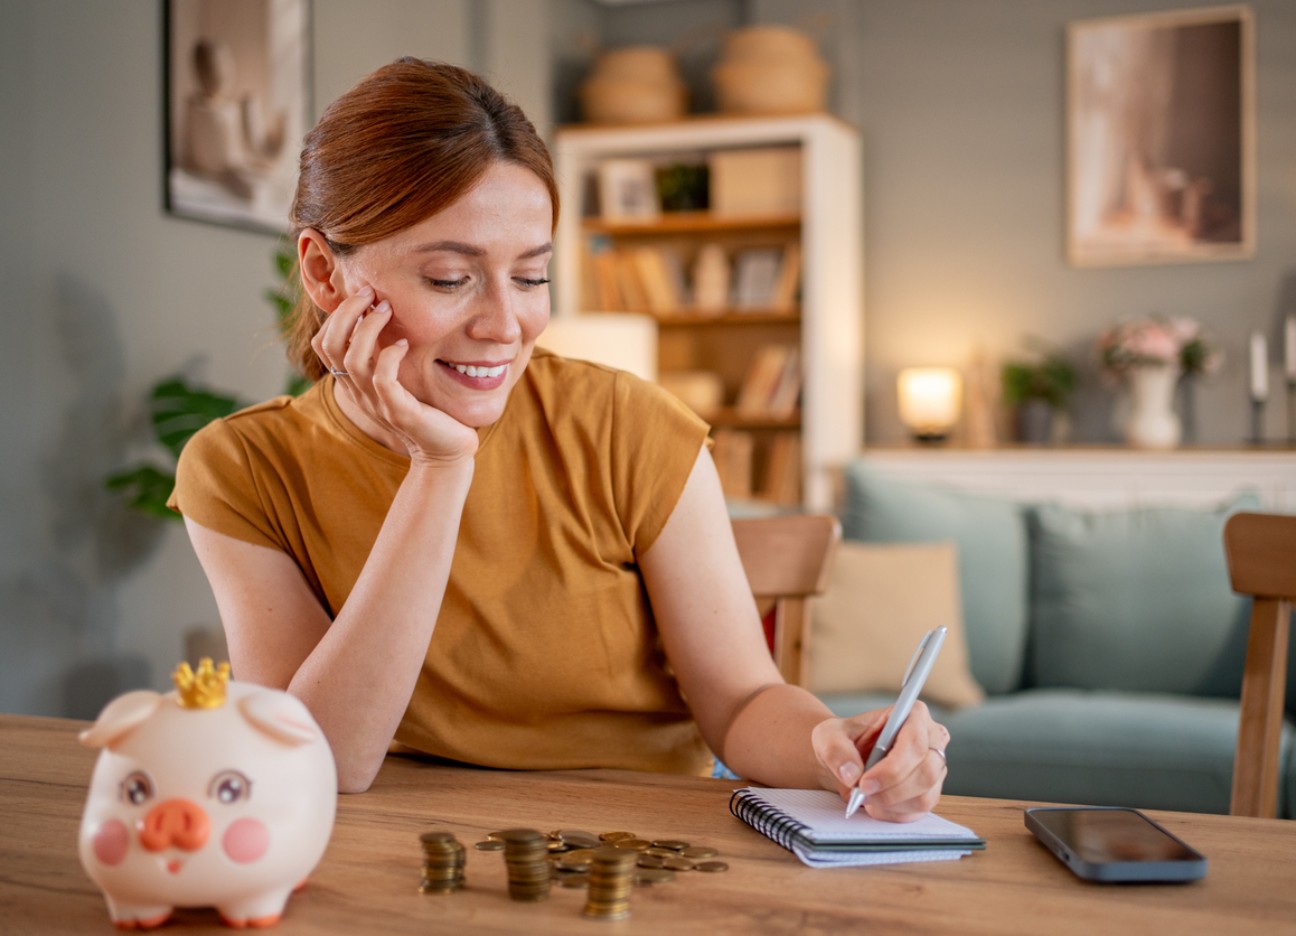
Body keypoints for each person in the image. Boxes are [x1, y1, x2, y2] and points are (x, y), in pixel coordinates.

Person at [170, 58, 950, 818]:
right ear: (324, 272)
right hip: (394, 853)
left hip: (635, 847)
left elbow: (741, 701)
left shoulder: (629, 427)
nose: (504, 326)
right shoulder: (243, 468)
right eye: (450, 277)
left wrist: (830, 741)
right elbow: (321, 762)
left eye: (532, 276)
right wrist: (440, 468)